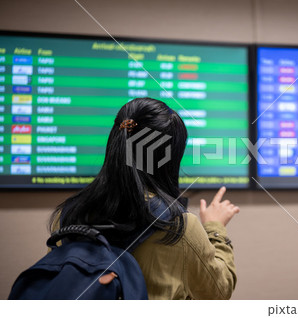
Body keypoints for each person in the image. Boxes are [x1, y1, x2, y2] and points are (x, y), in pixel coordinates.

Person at [49, 97, 240, 299]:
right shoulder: (177, 227)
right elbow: (218, 291)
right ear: (170, 157)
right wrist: (214, 228)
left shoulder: (69, 215)